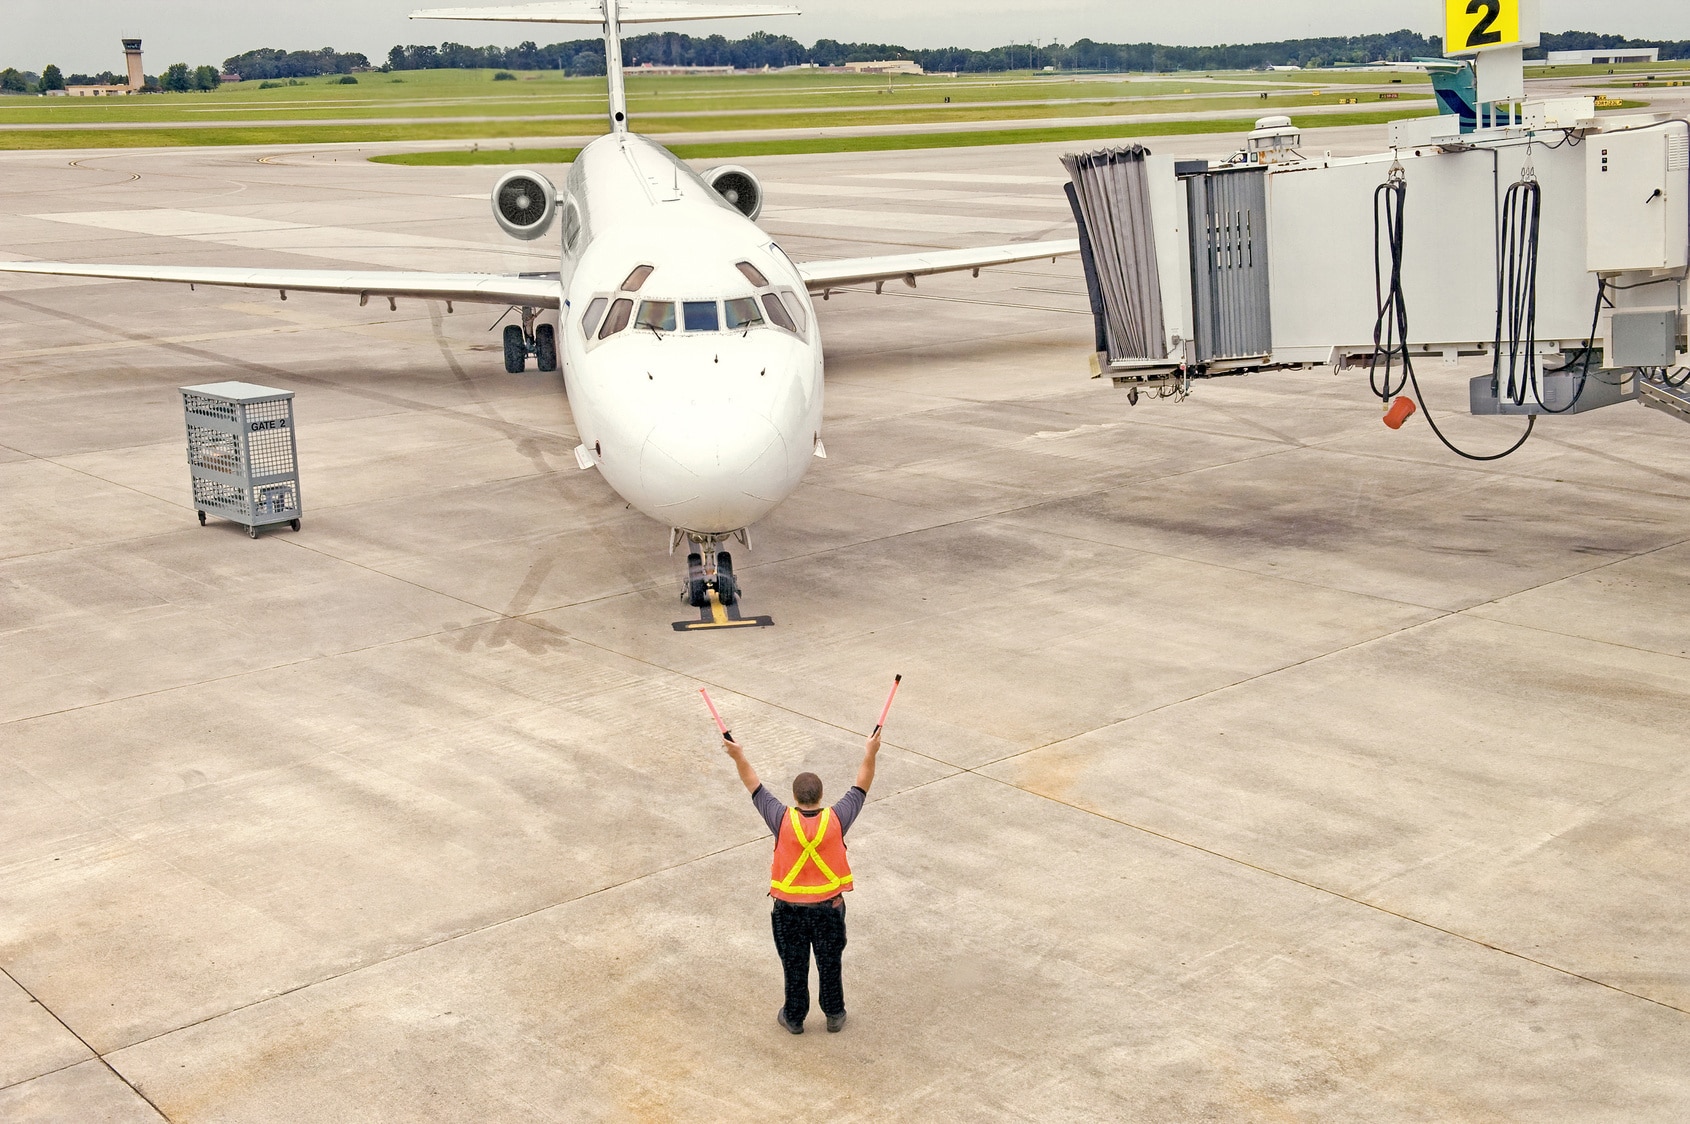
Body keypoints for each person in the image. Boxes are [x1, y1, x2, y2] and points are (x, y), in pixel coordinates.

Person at [723, 729, 881, 1034]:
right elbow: (863, 783)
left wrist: (738, 754)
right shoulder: (837, 818)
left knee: (794, 965)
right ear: (821, 796)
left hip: (789, 912)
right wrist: (871, 751)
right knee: (829, 961)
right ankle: (834, 1014)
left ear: (795, 797)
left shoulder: (781, 819)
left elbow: (752, 784)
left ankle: (794, 1017)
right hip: (829, 908)